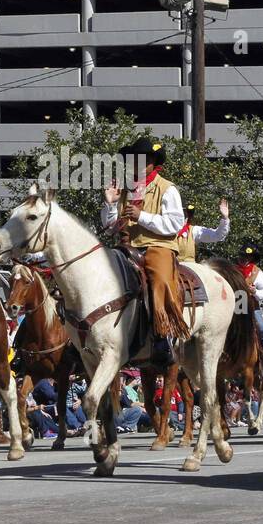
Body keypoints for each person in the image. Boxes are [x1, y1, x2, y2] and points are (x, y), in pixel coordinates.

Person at [102, 138, 188, 365]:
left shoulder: (167, 188)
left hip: (158, 245)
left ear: (153, 163)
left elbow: (175, 224)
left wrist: (141, 217)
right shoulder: (124, 188)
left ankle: (161, 336)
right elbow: (109, 227)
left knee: (158, 278)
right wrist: (111, 204)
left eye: (144, 159)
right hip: (126, 245)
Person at [236, 244, 263, 360]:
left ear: (252, 258)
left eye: (248, 257)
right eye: (243, 256)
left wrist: (255, 291)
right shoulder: (232, 270)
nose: (244, 258)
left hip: (251, 306)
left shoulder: (257, 272)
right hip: (234, 305)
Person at [176, 198, 230, 263]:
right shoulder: (164, 229)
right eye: (180, 214)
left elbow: (217, 235)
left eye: (186, 215)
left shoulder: (194, 231)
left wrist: (225, 218)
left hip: (185, 270)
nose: (184, 217)